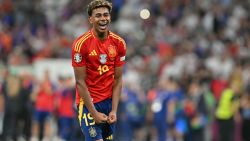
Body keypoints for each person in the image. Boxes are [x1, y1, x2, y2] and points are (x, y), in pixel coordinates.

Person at [71, 0, 126, 141]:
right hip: (89, 102)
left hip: (108, 102)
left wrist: (114, 109)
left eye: (106, 15)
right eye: (98, 15)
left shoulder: (119, 43)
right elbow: (80, 82)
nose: (103, 19)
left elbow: (118, 79)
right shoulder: (81, 44)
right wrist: (94, 113)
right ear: (91, 19)